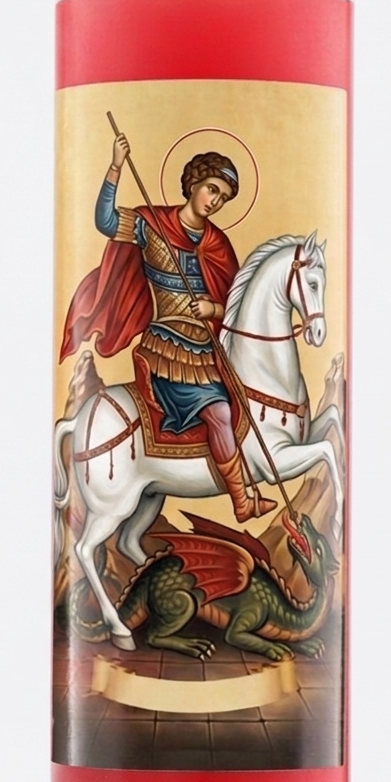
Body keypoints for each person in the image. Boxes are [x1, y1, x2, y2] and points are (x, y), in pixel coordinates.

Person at [61, 133, 276, 523]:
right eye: (212, 189)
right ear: (194, 183)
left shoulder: (217, 244)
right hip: (167, 349)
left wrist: (212, 307)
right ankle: (242, 501)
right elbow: (105, 222)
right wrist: (116, 166)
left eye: (223, 198)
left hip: (208, 349)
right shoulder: (152, 225)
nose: (215, 201)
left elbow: (235, 302)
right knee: (219, 412)